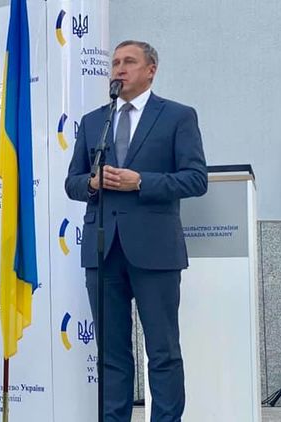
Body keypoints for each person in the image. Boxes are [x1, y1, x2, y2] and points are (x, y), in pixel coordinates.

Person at [65, 40, 207, 422]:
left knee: (162, 351)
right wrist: (92, 183)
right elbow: (72, 182)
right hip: (102, 249)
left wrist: (140, 181)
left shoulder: (177, 116)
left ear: (151, 70)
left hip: (155, 249)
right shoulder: (94, 121)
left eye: (129, 62)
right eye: (115, 63)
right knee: (111, 354)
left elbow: (196, 179)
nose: (119, 69)